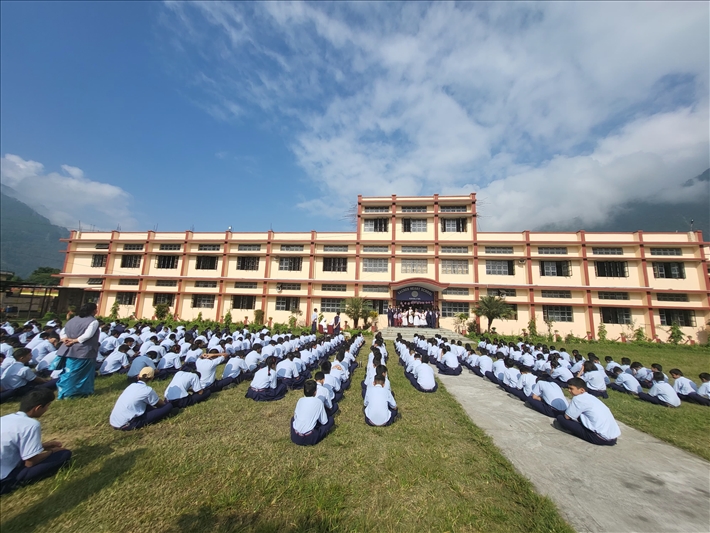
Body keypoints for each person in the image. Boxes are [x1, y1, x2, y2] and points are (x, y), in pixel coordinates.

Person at [0, 389, 72, 495]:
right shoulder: (31, 425)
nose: (47, 409)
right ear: (38, 408)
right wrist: (52, 452)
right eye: (47, 406)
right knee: (64, 454)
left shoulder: (4, 419)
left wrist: (43, 446)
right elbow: (30, 462)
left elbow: (11, 444)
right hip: (4, 479)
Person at [554, 378, 620, 446]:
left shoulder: (578, 398)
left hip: (599, 438)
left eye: (571, 388)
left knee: (560, 418)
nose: (569, 390)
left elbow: (567, 417)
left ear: (582, 390)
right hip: (613, 438)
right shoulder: (591, 397)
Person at [55, 303, 101, 399]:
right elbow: (87, 335)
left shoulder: (72, 319)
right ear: (94, 311)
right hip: (84, 351)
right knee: (82, 373)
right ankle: (75, 393)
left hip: (69, 349)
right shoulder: (93, 321)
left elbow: (63, 332)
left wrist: (65, 339)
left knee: (70, 371)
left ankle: (65, 391)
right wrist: (74, 341)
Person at [110, 367, 175, 430]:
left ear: (138, 376)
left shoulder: (131, 386)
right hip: (128, 424)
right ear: (152, 378)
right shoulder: (147, 390)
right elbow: (160, 404)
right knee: (168, 406)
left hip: (114, 421)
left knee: (146, 405)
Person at [290, 379, 334, 446]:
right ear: (315, 392)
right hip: (310, 438)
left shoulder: (300, 400)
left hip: (295, 437)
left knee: (292, 419)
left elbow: (295, 417)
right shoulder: (318, 402)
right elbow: (324, 422)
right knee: (330, 420)